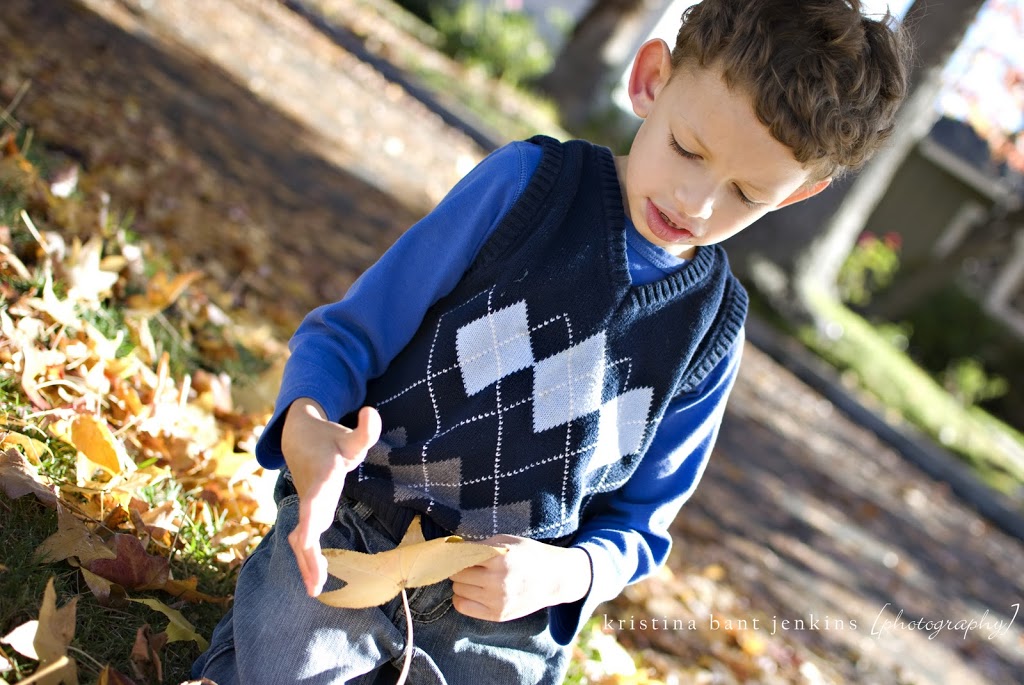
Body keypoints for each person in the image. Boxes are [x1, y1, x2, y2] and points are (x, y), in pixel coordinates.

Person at [193, 1, 909, 682]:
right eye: (687, 149)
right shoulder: (528, 186)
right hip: (362, 525)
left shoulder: (711, 332)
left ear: (795, 194)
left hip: (501, 610)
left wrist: (563, 574)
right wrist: (309, 425)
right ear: (651, 79)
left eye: (746, 195)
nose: (696, 203)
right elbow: (347, 335)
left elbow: (640, 526)